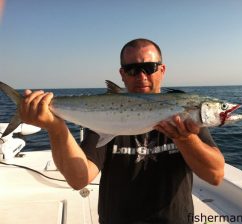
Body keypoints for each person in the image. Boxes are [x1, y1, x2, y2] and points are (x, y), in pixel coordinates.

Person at [19, 38, 225, 224]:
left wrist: (185, 138)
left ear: (162, 70)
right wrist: (56, 128)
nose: (142, 75)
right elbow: (78, 179)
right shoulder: (107, 117)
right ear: (122, 74)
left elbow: (215, 175)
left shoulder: (186, 117)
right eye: (132, 69)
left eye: (149, 67)